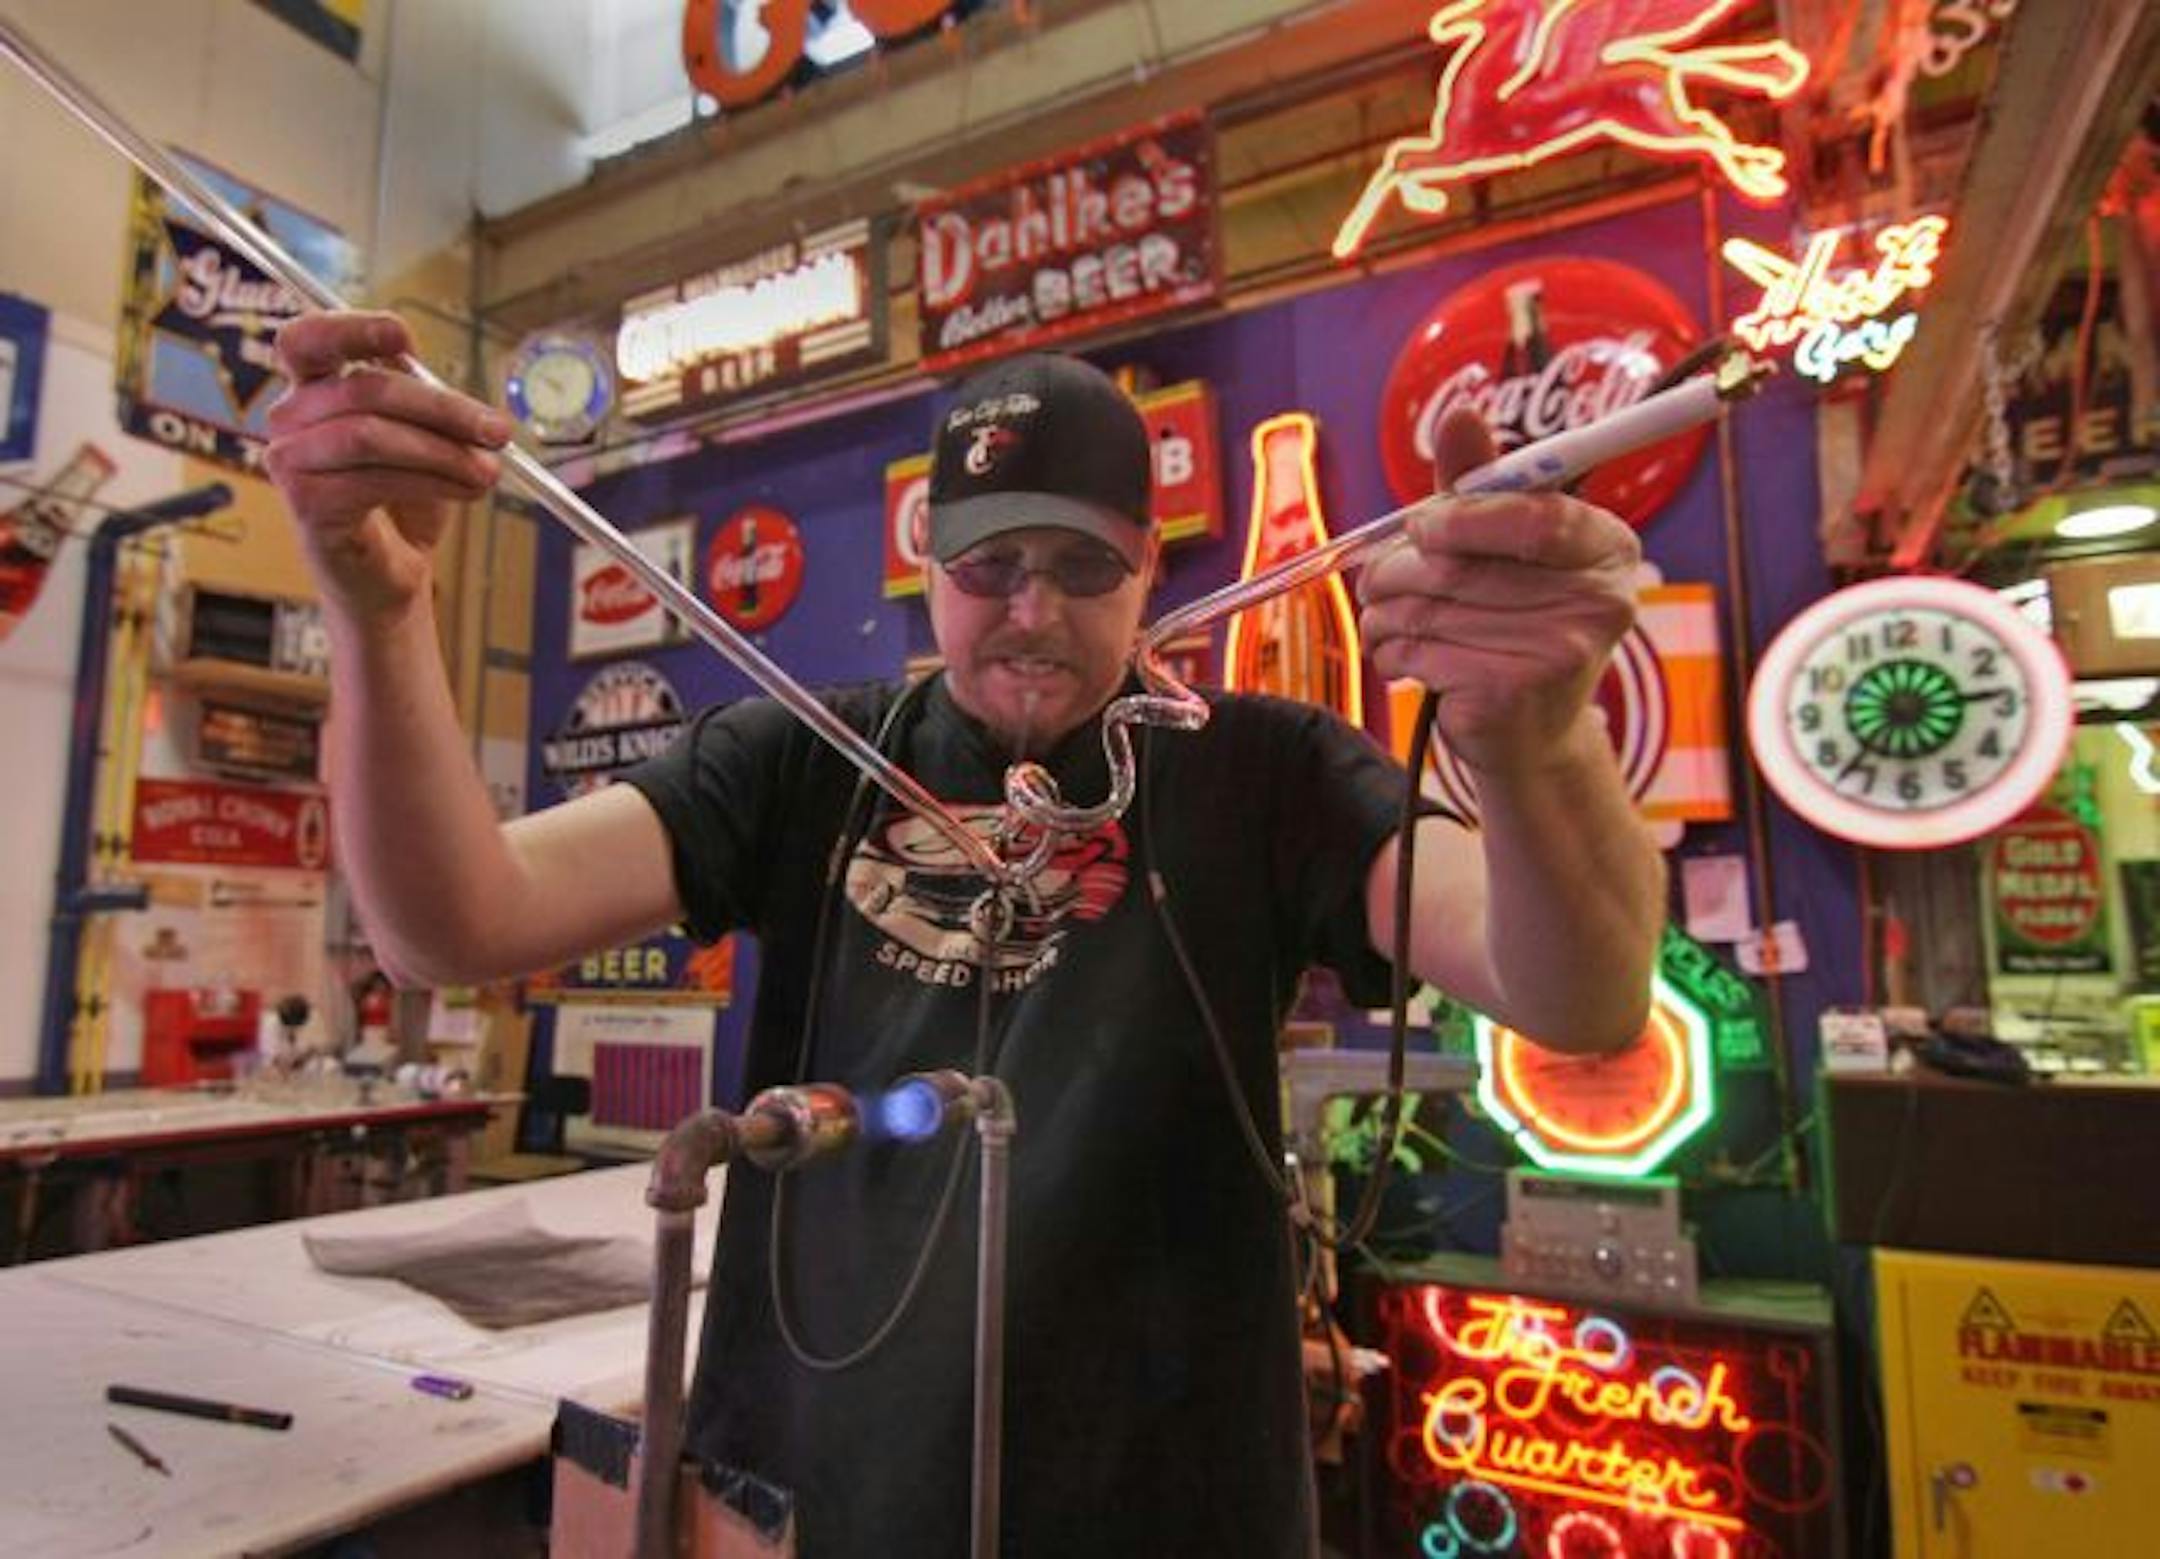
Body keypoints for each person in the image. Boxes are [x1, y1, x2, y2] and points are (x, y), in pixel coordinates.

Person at [265, 312, 1665, 1558]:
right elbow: (455, 923)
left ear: (1150, 564)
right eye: (991, 564)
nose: (1033, 612)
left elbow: (1581, 995)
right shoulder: (801, 759)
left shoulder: (1267, 773)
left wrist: (1538, 741)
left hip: (1169, 1512)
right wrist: (380, 611)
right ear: (923, 558)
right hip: (811, 1501)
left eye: (1083, 564)